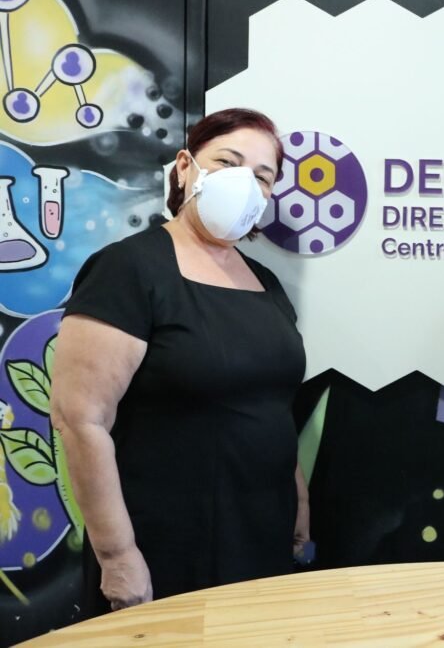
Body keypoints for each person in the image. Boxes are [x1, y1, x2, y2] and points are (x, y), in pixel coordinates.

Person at [50, 108, 309, 614]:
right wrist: (118, 555)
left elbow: (273, 404)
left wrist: (298, 500)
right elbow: (79, 420)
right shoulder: (128, 269)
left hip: (259, 535)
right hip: (164, 545)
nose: (245, 182)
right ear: (186, 167)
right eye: (228, 162)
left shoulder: (265, 283)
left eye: (263, 176)